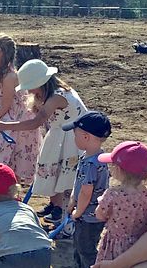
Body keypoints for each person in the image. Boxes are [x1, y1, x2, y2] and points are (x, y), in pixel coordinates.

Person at [0, 59, 85, 224]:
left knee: (65, 175)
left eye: (30, 85)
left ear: (41, 83)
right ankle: (54, 205)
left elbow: (37, 121)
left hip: (72, 137)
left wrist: (6, 126)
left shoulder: (57, 96)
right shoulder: (47, 94)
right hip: (58, 134)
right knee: (53, 169)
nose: (28, 90)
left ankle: (63, 216)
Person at [0, 34, 37, 186]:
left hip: (16, 121)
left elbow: (6, 106)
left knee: (12, 158)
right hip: (4, 117)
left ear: (1, 53)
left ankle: (9, 190)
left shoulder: (10, 76)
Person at [63, 111, 112, 268]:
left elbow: (86, 191)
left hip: (87, 217)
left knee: (85, 249)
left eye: (75, 134)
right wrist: (72, 199)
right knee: (81, 246)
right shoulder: (99, 157)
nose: (74, 138)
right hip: (92, 215)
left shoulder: (90, 164)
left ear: (85, 137)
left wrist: (77, 212)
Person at [94, 141, 147, 264]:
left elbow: (99, 215)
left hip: (113, 245)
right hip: (139, 247)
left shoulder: (112, 194)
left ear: (119, 170)